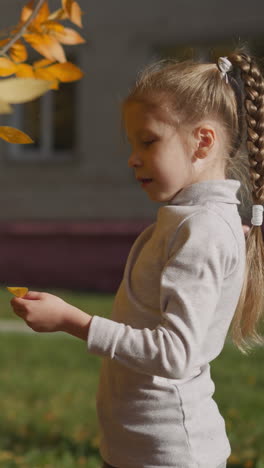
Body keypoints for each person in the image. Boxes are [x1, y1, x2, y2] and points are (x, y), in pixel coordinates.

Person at [10, 49, 264, 468]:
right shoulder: (194, 222)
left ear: (202, 141)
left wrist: (73, 321)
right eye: (132, 144)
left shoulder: (201, 230)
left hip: (169, 455)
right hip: (140, 447)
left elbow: (174, 355)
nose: (132, 157)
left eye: (148, 141)